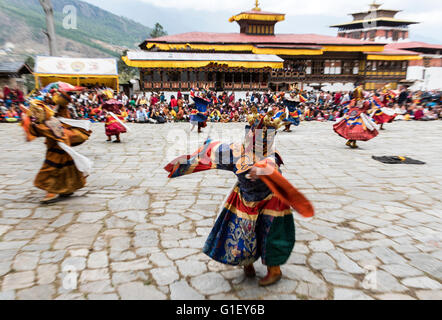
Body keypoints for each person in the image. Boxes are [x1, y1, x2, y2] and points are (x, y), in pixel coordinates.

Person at [164, 111, 314, 286]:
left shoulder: (271, 156)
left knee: (270, 236)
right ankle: (246, 264)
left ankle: (275, 271)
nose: (260, 142)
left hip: (271, 200)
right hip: (245, 198)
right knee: (243, 233)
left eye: (266, 140)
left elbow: (272, 167)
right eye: (255, 137)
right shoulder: (235, 152)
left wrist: (260, 169)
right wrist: (184, 164)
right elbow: (213, 151)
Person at [21, 91, 93, 204]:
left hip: (57, 149)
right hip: (62, 145)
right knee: (67, 168)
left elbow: (37, 130)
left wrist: (29, 122)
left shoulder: (49, 122)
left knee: (51, 169)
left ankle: (51, 192)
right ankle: (67, 189)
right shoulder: (56, 115)